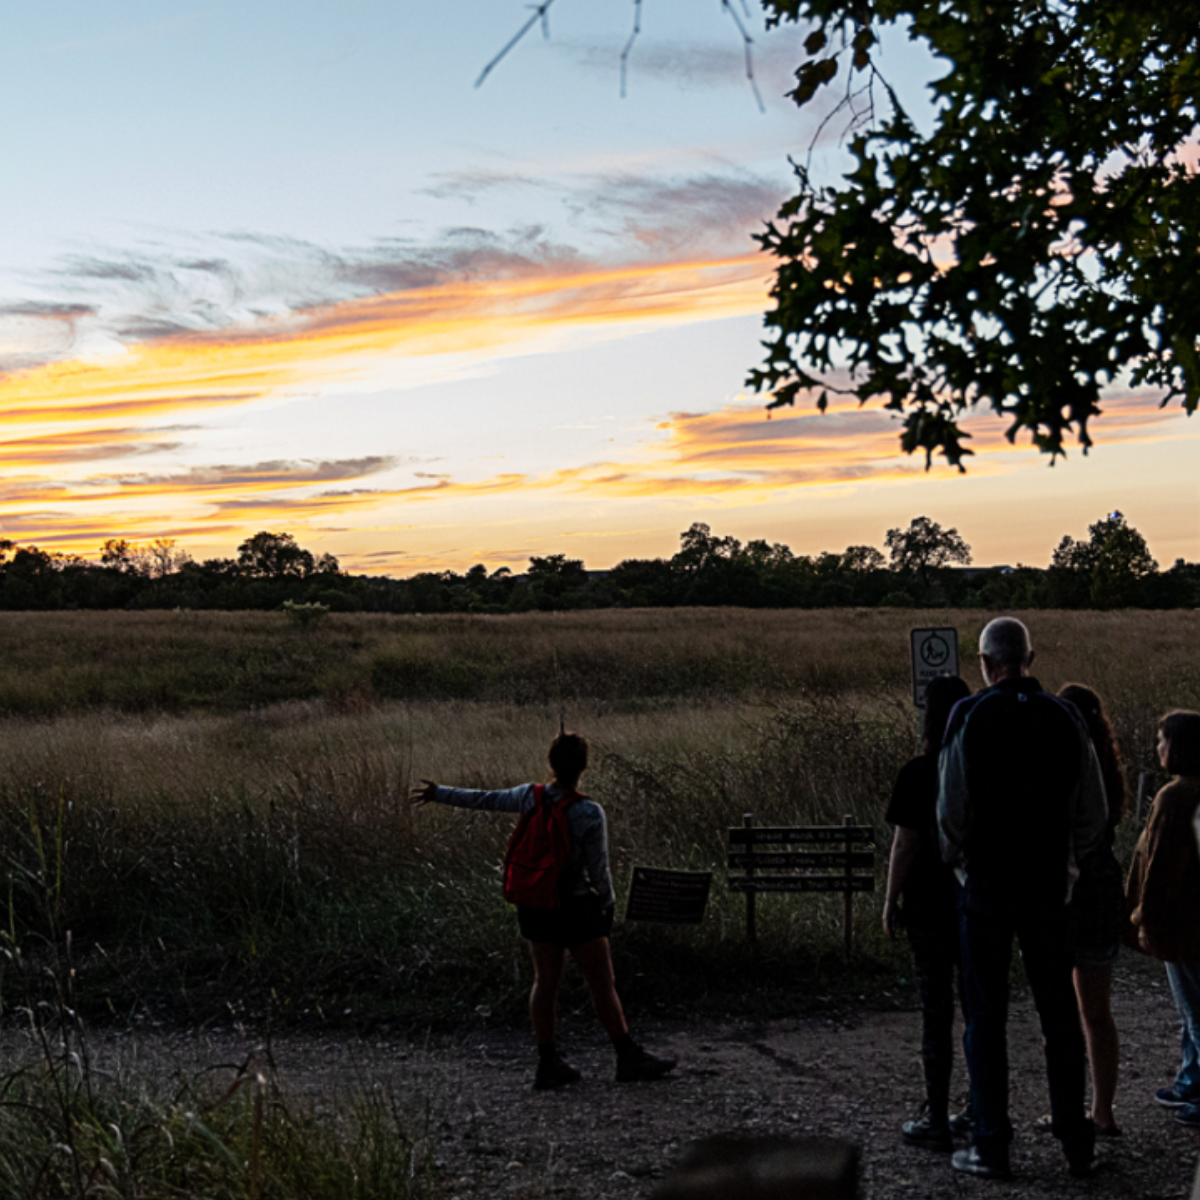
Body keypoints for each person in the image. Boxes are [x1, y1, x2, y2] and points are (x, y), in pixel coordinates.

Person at [938, 617, 1107, 1179]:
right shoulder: (1065, 717)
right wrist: (1074, 867)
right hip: (1046, 889)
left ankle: (992, 1142)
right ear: (1029, 656)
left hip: (986, 887)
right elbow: (1091, 810)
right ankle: (1075, 1139)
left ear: (985, 662)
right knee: (1059, 1013)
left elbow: (950, 806)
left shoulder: (970, 715)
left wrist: (958, 860)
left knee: (985, 1017)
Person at [411, 730, 676, 1089]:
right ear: (583, 767)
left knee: (545, 983)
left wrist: (439, 792)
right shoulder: (588, 812)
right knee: (601, 984)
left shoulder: (528, 797)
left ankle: (548, 1062)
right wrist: (608, 907)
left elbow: (485, 799)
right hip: (578, 905)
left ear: (551, 763)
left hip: (536, 904)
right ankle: (627, 1056)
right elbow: (600, 870)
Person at [883, 674, 973, 1152]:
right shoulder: (980, 766)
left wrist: (890, 899)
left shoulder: (918, 771)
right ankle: (980, 1108)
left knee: (934, 1012)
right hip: (974, 902)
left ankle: (935, 1113)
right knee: (979, 1008)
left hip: (926, 907)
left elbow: (906, 843)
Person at [1124, 709, 1200, 1131]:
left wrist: (1146, 918)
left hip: (1183, 924)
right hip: (1193, 920)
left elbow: (1162, 867)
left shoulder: (1176, 797)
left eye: (1161, 740)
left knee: (1193, 1010)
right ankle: (1191, 1079)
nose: (1157, 748)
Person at [1058, 684, 1127, 1137]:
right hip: (1104, 891)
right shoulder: (1110, 769)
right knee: (1097, 1011)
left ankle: (1072, 1107)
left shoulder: (1070, 764)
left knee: (1065, 1009)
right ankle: (1102, 1109)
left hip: (1073, 892)